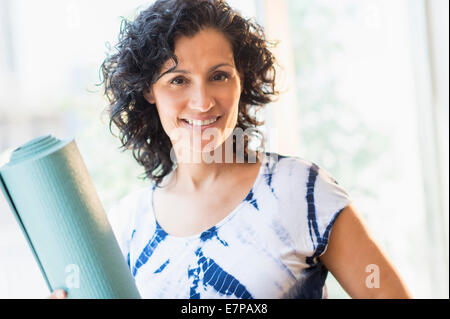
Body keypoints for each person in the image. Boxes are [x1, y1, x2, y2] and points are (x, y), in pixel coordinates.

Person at [50, 0, 411, 299]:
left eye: (219, 76)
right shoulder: (127, 227)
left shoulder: (301, 191)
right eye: (178, 80)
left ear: (243, 79)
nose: (202, 101)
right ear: (149, 92)